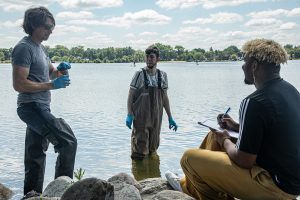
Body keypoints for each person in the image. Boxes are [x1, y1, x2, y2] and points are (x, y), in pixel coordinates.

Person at [166, 39, 300, 199]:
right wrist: (236, 126)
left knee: (188, 158)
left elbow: (244, 160)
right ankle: (189, 184)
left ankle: (198, 191)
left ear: (254, 66)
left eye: (245, 61)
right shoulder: (291, 92)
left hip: (272, 186)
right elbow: (273, 132)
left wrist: (225, 140)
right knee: (213, 136)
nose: (243, 66)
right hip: (291, 184)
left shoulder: (254, 101)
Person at [11, 7, 77, 199]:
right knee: (67, 142)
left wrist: (62, 71)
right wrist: (52, 85)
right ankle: (62, 193)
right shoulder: (24, 48)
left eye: (52, 28)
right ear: (33, 25)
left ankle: (32, 196)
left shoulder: (40, 48)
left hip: (41, 106)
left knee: (35, 156)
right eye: (47, 27)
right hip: (31, 107)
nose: (50, 31)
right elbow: (19, 84)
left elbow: (52, 73)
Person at [126, 46, 178, 160]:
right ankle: (138, 173)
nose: (149, 59)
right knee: (139, 150)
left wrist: (170, 117)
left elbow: (164, 97)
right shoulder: (139, 74)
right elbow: (130, 95)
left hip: (156, 118)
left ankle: (151, 174)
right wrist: (129, 114)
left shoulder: (163, 75)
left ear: (157, 59)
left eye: (152, 57)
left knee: (153, 148)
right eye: (147, 57)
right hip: (140, 118)